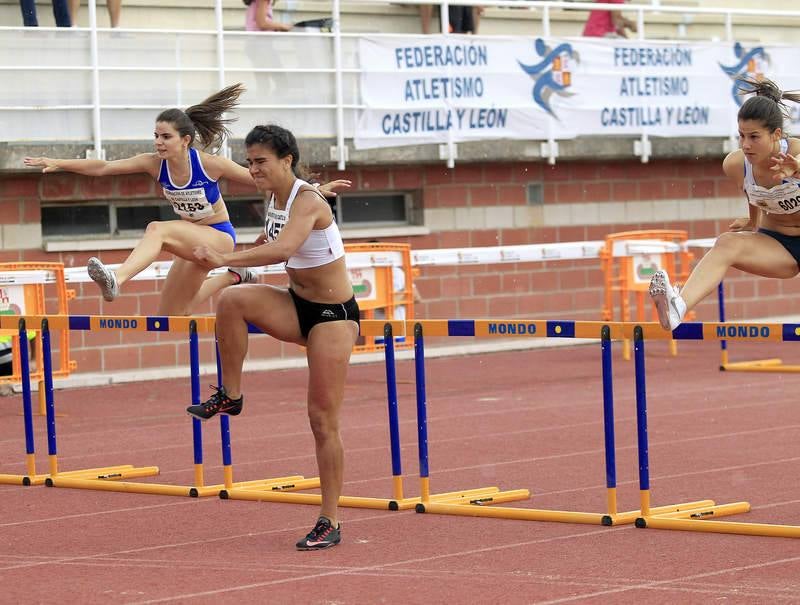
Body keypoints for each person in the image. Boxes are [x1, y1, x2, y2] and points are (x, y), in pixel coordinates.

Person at [23, 85, 349, 316]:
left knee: (157, 230)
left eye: (166, 137)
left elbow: (267, 179)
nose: (159, 143)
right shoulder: (154, 163)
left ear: (186, 140)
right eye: (155, 136)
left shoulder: (207, 164)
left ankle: (117, 278)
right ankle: (232, 278)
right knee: (171, 315)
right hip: (190, 239)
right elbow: (104, 167)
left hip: (219, 236)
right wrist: (59, 162)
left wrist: (314, 191)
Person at [187, 124, 359, 551]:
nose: (253, 169)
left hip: (332, 317)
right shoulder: (278, 196)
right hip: (296, 303)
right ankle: (231, 394)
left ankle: (330, 520)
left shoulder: (307, 201)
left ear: (287, 160)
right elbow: (274, 238)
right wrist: (240, 259)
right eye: (250, 162)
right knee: (232, 301)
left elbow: (284, 250)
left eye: (261, 161)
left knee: (321, 420)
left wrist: (226, 256)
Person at [650, 77, 800, 331]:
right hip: (781, 247)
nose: (746, 144)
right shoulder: (735, 165)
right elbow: (754, 196)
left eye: (754, 137)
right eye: (741, 136)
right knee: (727, 243)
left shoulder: (795, 152)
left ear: (776, 134)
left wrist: (797, 171)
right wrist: (753, 222)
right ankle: (678, 307)